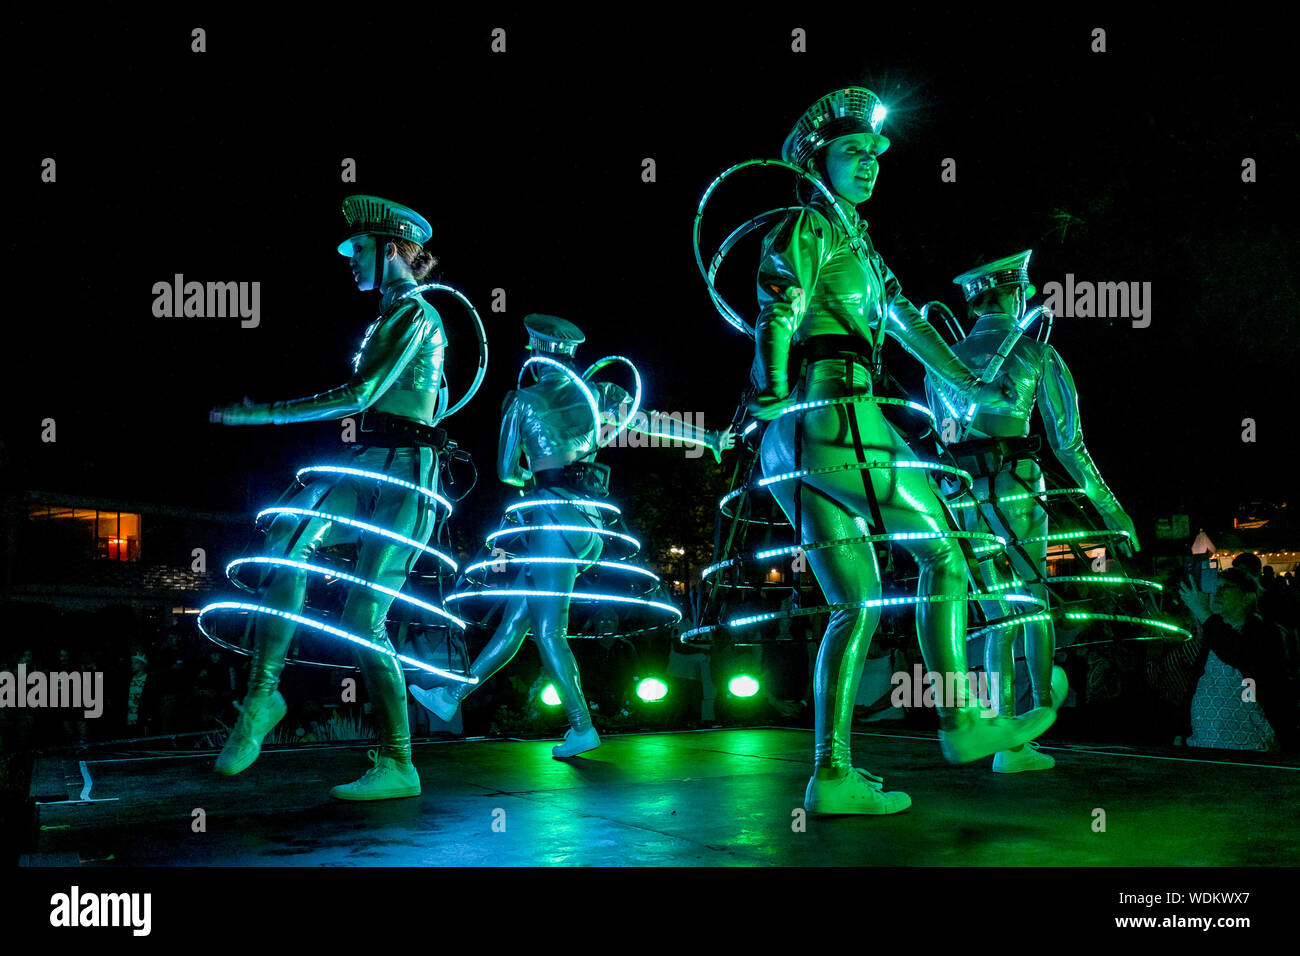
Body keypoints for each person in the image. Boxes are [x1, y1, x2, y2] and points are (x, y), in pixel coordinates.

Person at [746, 89, 1057, 814]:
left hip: (803, 432)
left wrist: (972, 383)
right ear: (816, 159)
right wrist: (770, 380)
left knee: (851, 605)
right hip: (837, 415)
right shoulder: (811, 224)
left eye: (876, 158)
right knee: (943, 555)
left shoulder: (857, 244)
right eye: (855, 154)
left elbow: (910, 323)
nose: (870, 167)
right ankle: (959, 719)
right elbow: (776, 302)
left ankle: (830, 774)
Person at [209, 194, 454, 799]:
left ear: (391, 249)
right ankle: (262, 700)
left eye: (359, 249)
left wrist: (259, 415)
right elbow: (432, 396)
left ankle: (399, 763)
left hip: (407, 473)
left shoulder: (415, 314)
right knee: (285, 539)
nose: (348, 259)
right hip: (367, 464)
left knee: (362, 618)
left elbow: (361, 393)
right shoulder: (389, 317)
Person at [411, 315, 729, 757]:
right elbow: (653, 423)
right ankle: (451, 697)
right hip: (591, 526)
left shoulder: (522, 399)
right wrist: (709, 436)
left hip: (552, 521)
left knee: (548, 630)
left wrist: (534, 473)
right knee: (517, 619)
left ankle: (582, 726)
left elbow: (506, 471)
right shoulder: (599, 394)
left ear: (536, 354)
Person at [924, 251, 1131, 771]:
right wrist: (1112, 511)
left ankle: (1005, 735)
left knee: (997, 612)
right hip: (1016, 483)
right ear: (1014, 294)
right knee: (1032, 600)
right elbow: (1070, 444)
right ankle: (1037, 713)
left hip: (961, 492)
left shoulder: (941, 360)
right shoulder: (1035, 354)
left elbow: (939, 437)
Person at [1180, 568, 1298, 751]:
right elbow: (1198, 683)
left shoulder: (1266, 632)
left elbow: (1241, 655)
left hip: (1249, 745)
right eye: (1216, 587)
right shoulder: (1215, 632)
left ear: (1247, 597)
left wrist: (1204, 613)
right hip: (1204, 741)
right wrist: (1183, 731)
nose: (1217, 593)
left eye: (1226, 587)